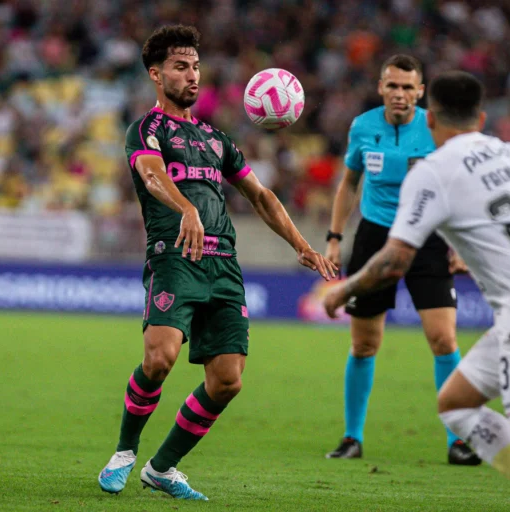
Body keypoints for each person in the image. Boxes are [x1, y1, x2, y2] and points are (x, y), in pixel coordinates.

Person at [323, 70, 510, 512]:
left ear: (430, 118)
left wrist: (341, 289)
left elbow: (394, 261)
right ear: (481, 118)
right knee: (457, 405)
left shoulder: (434, 172)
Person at [97, 25, 336, 500]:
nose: (192, 75)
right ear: (156, 74)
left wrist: (300, 244)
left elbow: (261, 196)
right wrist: (186, 208)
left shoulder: (215, 138)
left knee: (227, 381)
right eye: (181, 66)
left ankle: (162, 468)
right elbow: (151, 176)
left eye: (196, 67)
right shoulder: (146, 130)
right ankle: (124, 451)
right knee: (160, 358)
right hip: (174, 258)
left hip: (223, 264)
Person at [324, 54, 478, 465]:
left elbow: (458, 189)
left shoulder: (435, 129)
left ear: (421, 92)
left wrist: (461, 245)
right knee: (364, 344)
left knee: (444, 340)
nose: (400, 94)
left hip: (427, 238)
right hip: (375, 238)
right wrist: (335, 238)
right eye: (392, 85)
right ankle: (351, 437)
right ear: (380, 87)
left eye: (408, 87)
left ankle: (457, 440)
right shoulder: (363, 127)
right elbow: (348, 184)